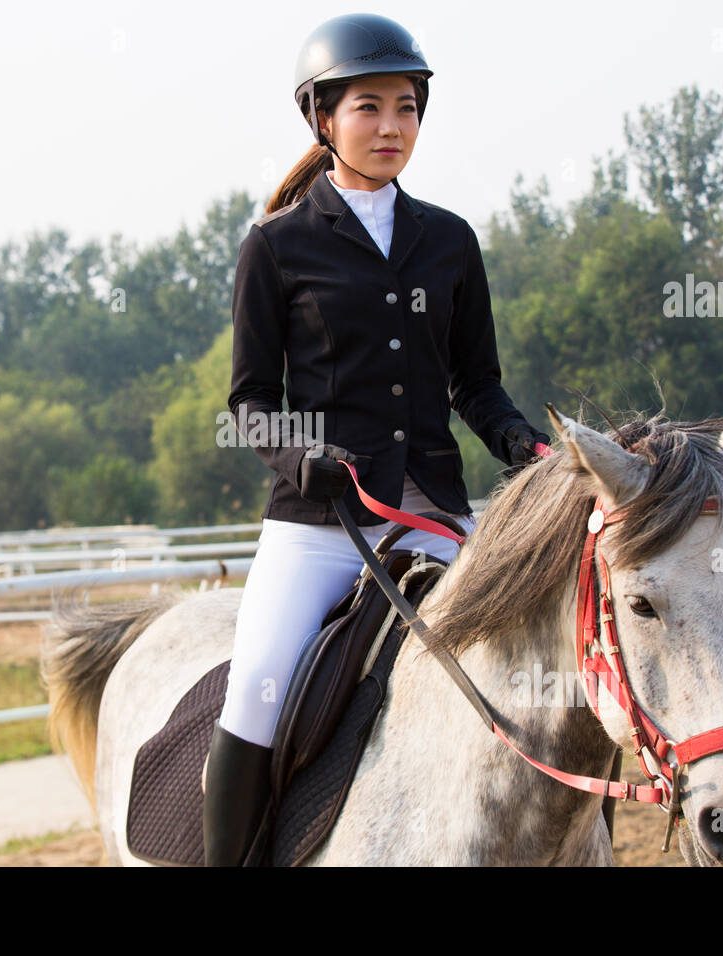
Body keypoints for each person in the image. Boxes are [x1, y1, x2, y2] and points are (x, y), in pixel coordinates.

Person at [203, 13, 550, 866]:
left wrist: (524, 446)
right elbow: (250, 400)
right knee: (255, 690)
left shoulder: (450, 240)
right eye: (370, 107)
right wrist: (301, 460)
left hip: (432, 513)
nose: (392, 125)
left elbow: (476, 384)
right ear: (323, 118)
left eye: (407, 107)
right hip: (318, 526)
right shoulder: (276, 248)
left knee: (547, 679)